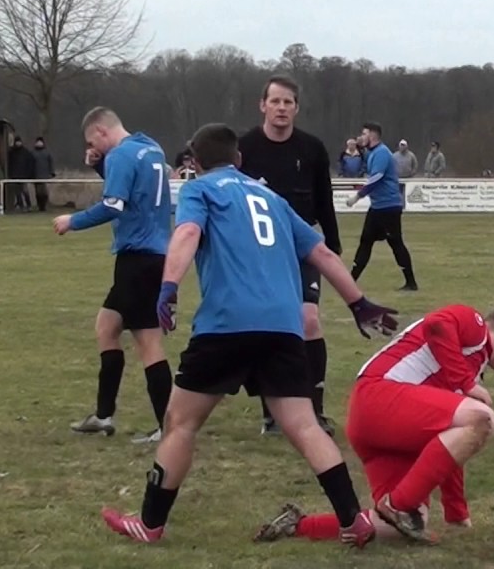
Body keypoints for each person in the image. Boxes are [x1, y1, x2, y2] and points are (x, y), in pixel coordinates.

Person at [99, 123, 398, 548]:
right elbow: (321, 251)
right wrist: (358, 303)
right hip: (283, 327)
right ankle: (352, 518)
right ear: (238, 159)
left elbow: (187, 233)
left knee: (180, 422)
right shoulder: (271, 197)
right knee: (305, 426)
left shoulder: (200, 190)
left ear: (194, 163)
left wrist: (168, 287)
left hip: (226, 325)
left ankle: (149, 523)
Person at [253, 302, 494, 546]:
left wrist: (457, 513)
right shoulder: (474, 326)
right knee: (483, 418)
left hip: (380, 424)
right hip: (379, 398)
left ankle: (298, 525)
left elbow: (454, 447)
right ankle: (397, 505)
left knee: (401, 526)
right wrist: (466, 384)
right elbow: (437, 324)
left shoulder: (470, 366)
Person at [54, 107, 173, 445]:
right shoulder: (150, 147)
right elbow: (134, 186)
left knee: (148, 343)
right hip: (154, 254)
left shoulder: (121, 154)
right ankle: (103, 415)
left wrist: (72, 221)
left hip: (138, 258)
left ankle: (169, 427)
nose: (93, 148)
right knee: (106, 327)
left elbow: (113, 204)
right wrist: (98, 165)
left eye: (93, 143)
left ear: (101, 132)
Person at [238, 75, 344, 437]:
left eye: (288, 102)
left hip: (302, 248)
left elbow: (324, 199)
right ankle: (272, 411)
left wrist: (332, 246)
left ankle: (315, 411)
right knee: (267, 326)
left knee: (309, 320)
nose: (281, 108)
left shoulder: (312, 149)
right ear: (262, 105)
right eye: (275, 101)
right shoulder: (244, 148)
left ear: (296, 108)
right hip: (257, 251)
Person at [346, 122, 418, 291]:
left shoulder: (382, 153)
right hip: (378, 207)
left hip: (388, 207)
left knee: (396, 243)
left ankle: (411, 283)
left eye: (364, 134)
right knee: (366, 241)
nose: (361, 137)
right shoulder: (372, 153)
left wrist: (357, 196)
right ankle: (350, 281)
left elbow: (376, 179)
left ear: (372, 135)